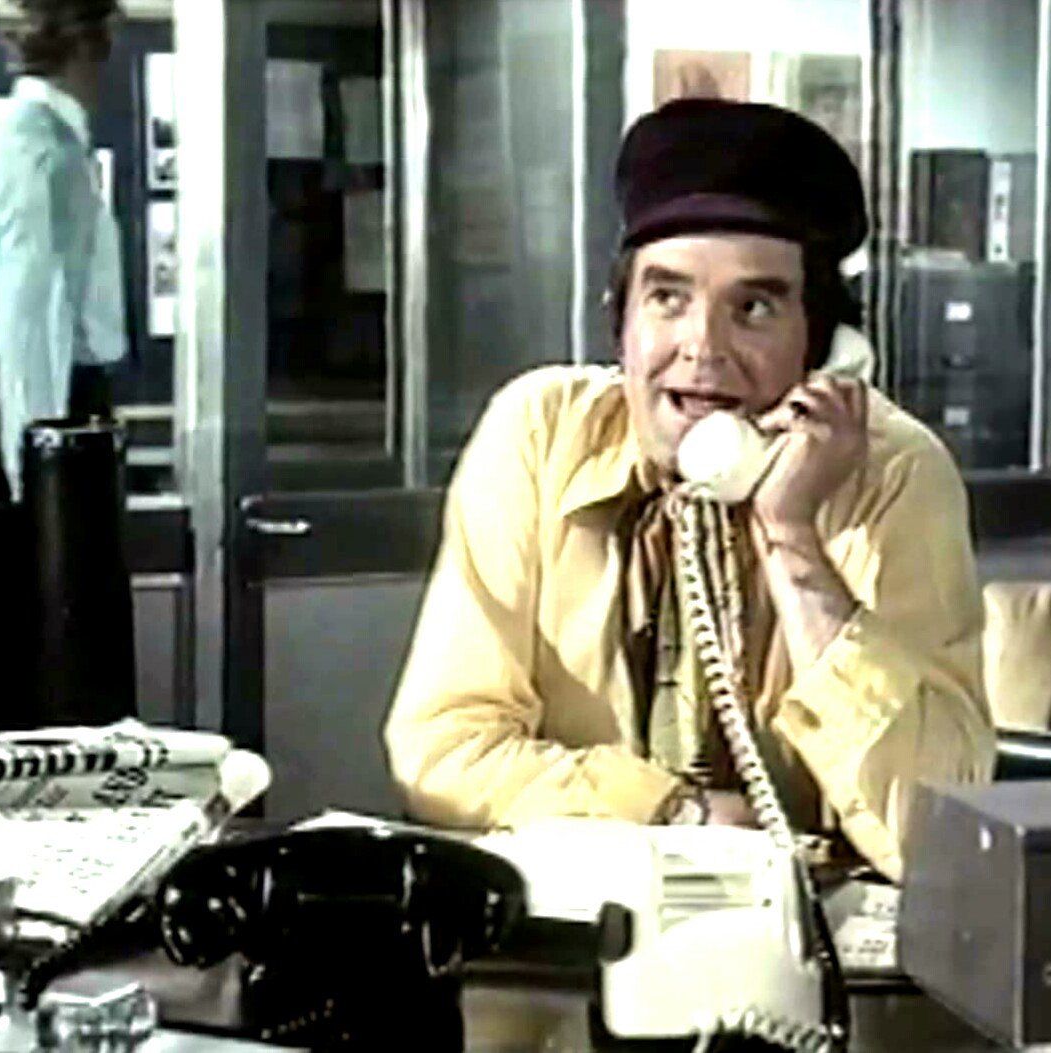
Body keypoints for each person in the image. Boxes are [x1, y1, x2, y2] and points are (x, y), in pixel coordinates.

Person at [384, 99, 995, 881]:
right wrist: (673, 811)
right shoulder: (538, 434)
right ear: (621, 323)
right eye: (668, 298)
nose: (702, 348)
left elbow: (937, 832)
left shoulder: (898, 473)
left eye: (754, 307)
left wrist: (794, 540)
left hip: (809, 936)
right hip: (583, 922)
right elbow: (441, 749)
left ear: (824, 348)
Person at [0, 0, 127, 505]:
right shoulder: (46, 152)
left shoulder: (2, 141)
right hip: (49, 419)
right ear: (85, 46)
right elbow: (32, 322)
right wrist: (39, 483)